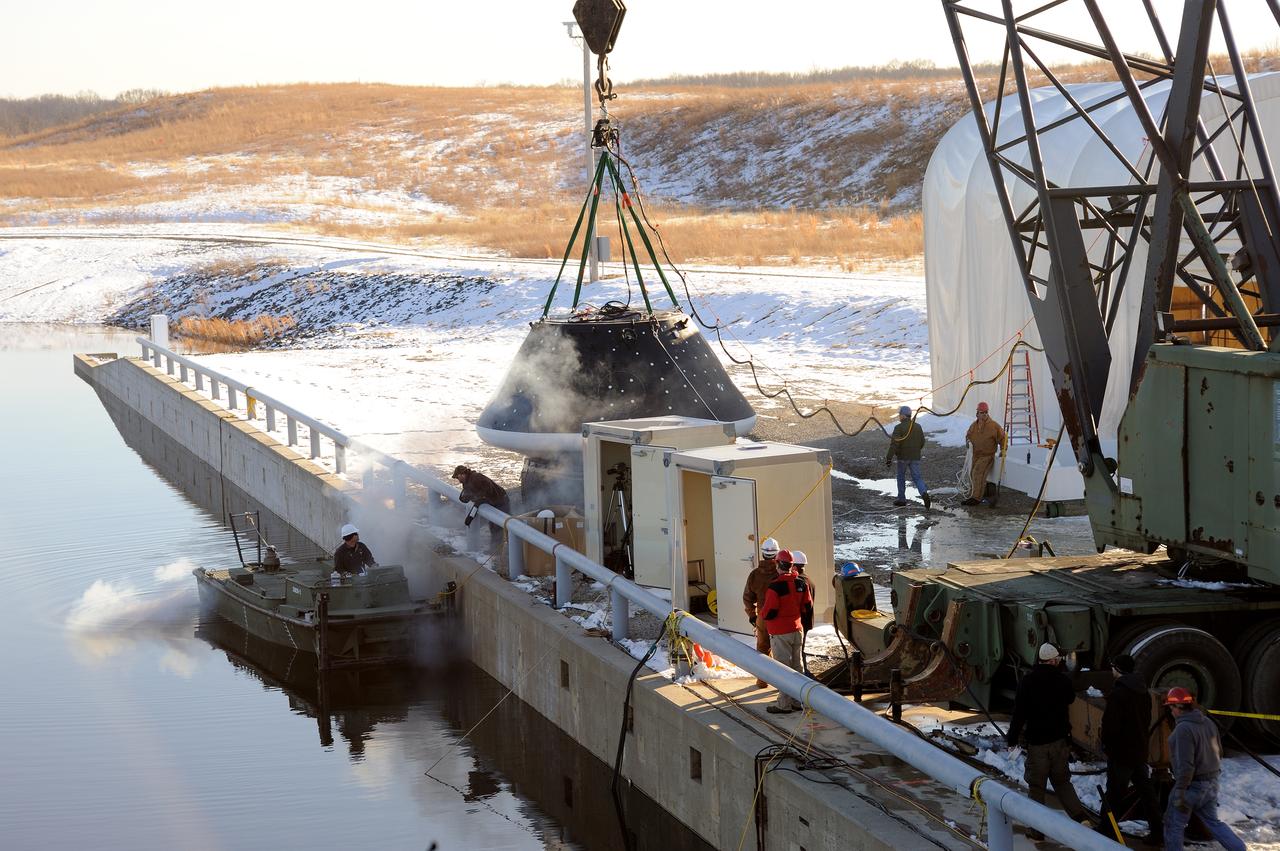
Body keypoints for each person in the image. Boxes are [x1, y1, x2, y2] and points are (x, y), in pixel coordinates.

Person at [1006, 643, 1092, 833]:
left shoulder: (1028, 681)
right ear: (1053, 660)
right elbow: (1070, 698)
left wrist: (1012, 738)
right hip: (1060, 742)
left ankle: (1037, 831)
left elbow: (1019, 713)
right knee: (1062, 783)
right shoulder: (1062, 680)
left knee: (1037, 787)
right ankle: (1081, 819)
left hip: (1038, 745)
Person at [1162, 687, 1246, 851]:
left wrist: (1180, 791)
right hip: (1211, 783)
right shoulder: (1208, 722)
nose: (1170, 711)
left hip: (1191, 786)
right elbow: (1219, 752)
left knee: (1173, 824)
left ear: (1179, 707)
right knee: (1213, 823)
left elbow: (1186, 765)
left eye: (1171, 707)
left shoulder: (1183, 730)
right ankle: (1239, 848)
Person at [1099, 654, 1163, 845]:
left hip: (1121, 754)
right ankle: (1158, 833)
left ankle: (1105, 831)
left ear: (1117, 669)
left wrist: (1108, 747)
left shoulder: (1118, 694)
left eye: (1113, 667)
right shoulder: (1143, 692)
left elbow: (1110, 726)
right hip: (1139, 752)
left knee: (1114, 794)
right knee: (1147, 794)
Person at [759, 554, 814, 715]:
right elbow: (807, 606)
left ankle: (784, 704)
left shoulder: (775, 587)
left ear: (778, 564)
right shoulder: (801, 583)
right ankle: (798, 701)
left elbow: (769, 611)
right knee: (797, 667)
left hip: (780, 632)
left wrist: (761, 615)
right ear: (792, 565)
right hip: (797, 630)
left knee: (782, 669)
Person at [743, 537, 781, 690]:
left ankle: (762, 680)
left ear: (763, 554)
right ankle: (783, 683)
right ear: (776, 554)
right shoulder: (782, 574)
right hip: (780, 617)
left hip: (762, 617)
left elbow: (747, 598)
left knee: (762, 649)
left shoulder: (754, 575)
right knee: (781, 650)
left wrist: (752, 615)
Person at [885, 405, 930, 509]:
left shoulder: (899, 427)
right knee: (917, 478)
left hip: (903, 458)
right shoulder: (918, 426)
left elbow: (894, 445)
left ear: (903, 416)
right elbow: (922, 442)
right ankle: (924, 493)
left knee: (901, 477)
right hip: (915, 457)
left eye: (900, 415)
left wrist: (889, 458)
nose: (899, 416)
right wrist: (915, 450)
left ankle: (902, 499)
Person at [963, 401, 1007, 506]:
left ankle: (976, 498)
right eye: (982, 412)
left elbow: (1003, 438)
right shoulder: (974, 426)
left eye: (985, 412)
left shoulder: (994, 426)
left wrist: (1003, 450)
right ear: (977, 413)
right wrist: (968, 442)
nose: (984, 414)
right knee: (972, 473)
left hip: (987, 455)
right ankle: (976, 494)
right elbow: (968, 436)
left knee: (977, 473)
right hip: (976, 454)